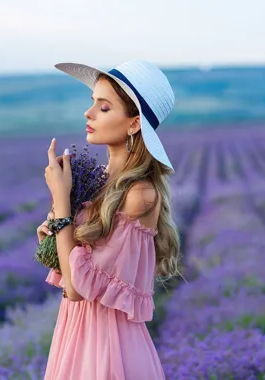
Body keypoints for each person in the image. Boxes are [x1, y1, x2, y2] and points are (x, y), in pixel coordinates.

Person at [38, 59, 182, 380]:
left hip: (110, 351)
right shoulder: (97, 181)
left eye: (104, 108)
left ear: (134, 123)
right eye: (92, 104)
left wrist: (62, 204)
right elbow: (69, 272)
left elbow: (76, 288)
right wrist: (53, 232)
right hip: (75, 337)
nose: (88, 114)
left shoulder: (139, 195)